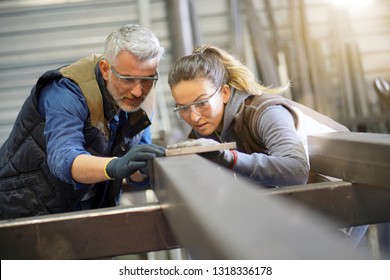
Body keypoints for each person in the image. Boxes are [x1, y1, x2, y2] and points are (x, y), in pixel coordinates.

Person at [0, 24, 166, 220]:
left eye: (147, 79)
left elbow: (133, 168)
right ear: (105, 69)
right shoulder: (65, 93)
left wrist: (143, 168)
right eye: (128, 79)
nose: (139, 91)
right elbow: (64, 160)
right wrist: (116, 165)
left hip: (92, 209)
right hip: (26, 211)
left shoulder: (143, 98)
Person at [167, 45, 349, 187]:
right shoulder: (207, 129)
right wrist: (157, 163)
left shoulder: (265, 113)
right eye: (183, 108)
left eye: (201, 103)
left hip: (342, 180)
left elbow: (297, 170)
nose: (194, 117)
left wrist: (231, 158)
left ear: (224, 93)